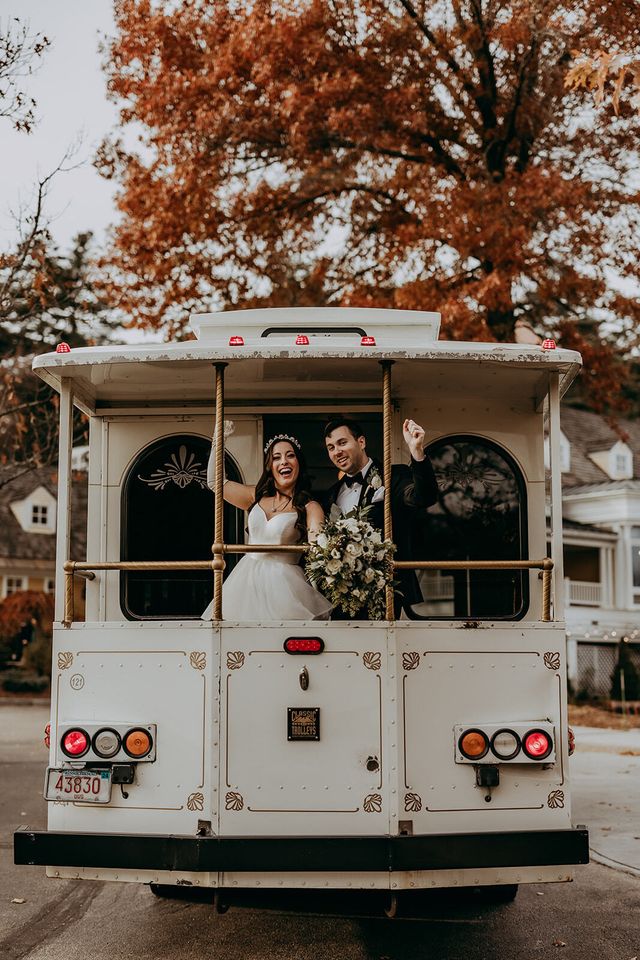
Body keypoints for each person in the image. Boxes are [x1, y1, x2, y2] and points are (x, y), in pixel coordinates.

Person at [202, 429, 332, 621]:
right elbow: (215, 482)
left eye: (290, 456)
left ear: (298, 463)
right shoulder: (255, 496)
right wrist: (218, 440)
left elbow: (317, 547)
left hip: (285, 587)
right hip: (246, 583)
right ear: (270, 466)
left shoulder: (309, 507)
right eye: (276, 457)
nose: (284, 461)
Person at [323, 417, 439, 617]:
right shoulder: (332, 494)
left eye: (342, 443)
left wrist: (417, 451)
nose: (337, 451)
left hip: (384, 593)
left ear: (361, 442)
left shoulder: (394, 476)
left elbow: (424, 497)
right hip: (342, 598)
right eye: (331, 447)